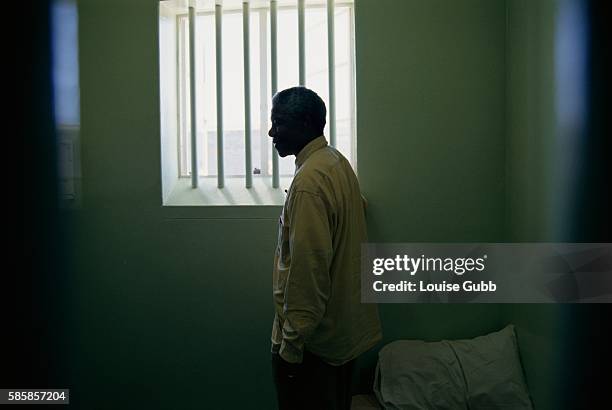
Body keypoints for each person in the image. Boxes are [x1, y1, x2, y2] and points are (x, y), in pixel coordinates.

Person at [269, 86, 382, 410]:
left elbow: (309, 271)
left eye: (279, 122)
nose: (271, 132)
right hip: (341, 339)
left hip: (314, 348)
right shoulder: (334, 162)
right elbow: (356, 208)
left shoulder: (309, 183)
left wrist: (290, 349)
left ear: (305, 124)